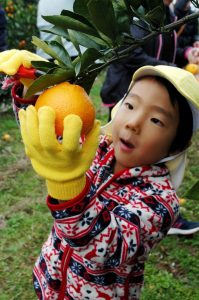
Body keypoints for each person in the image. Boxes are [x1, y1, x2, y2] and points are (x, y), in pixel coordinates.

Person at [16, 65, 199, 299]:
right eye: (131, 105)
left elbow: (102, 248)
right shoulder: (98, 147)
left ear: (176, 145)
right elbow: (49, 137)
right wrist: (29, 90)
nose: (134, 122)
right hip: (51, 279)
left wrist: (69, 186)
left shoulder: (159, 202)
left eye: (156, 120)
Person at [100, 0, 199, 236]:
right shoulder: (135, 10)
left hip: (153, 99)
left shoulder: (166, 13)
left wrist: (187, 53)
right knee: (117, 154)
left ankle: (146, 211)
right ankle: (110, 203)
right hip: (128, 91)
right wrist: (168, 69)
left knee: (150, 158)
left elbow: (163, 47)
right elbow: (130, 52)